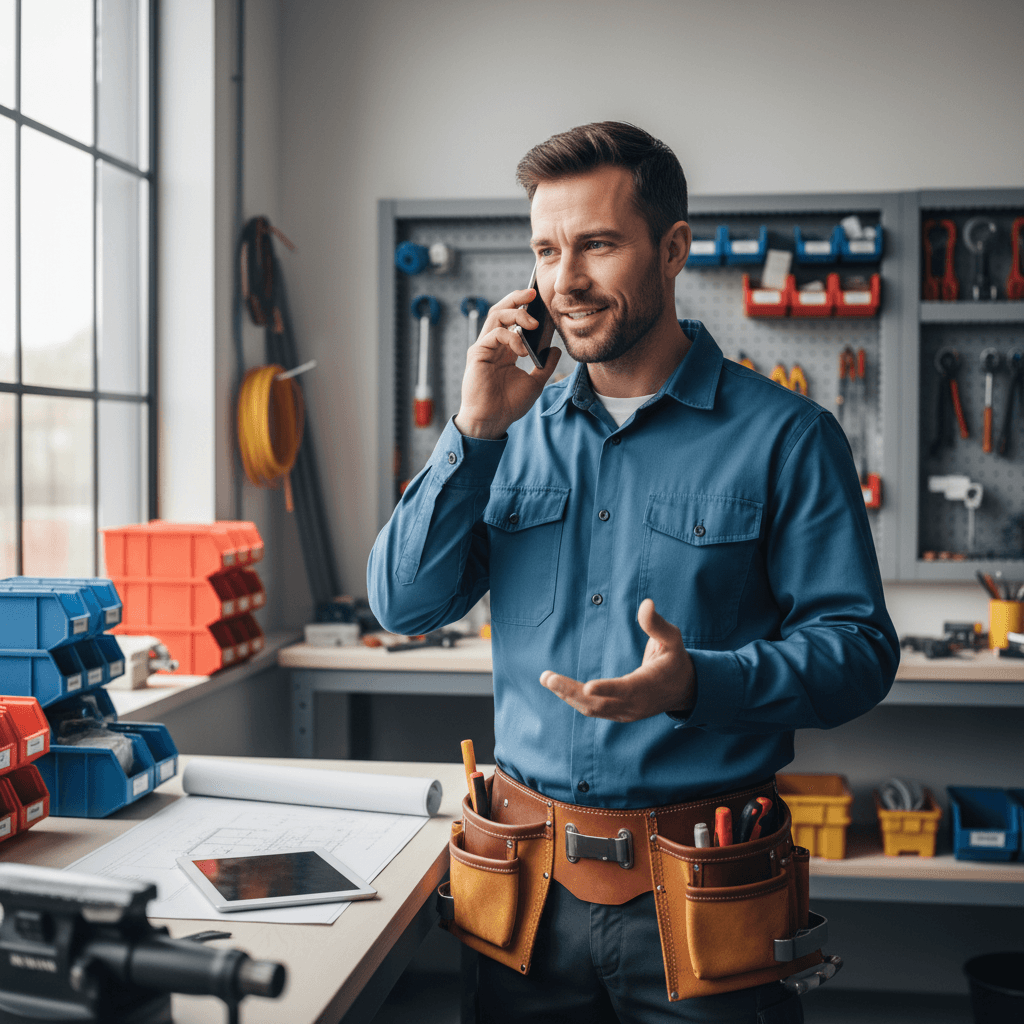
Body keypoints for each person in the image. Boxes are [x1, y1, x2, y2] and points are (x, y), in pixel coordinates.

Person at [368, 122, 899, 1024]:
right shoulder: (508, 434)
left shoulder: (787, 437)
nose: (565, 281)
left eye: (598, 245)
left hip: (706, 897)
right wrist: (473, 431)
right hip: (525, 900)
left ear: (673, 249)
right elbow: (404, 604)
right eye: (545, 250)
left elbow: (858, 653)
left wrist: (700, 681)